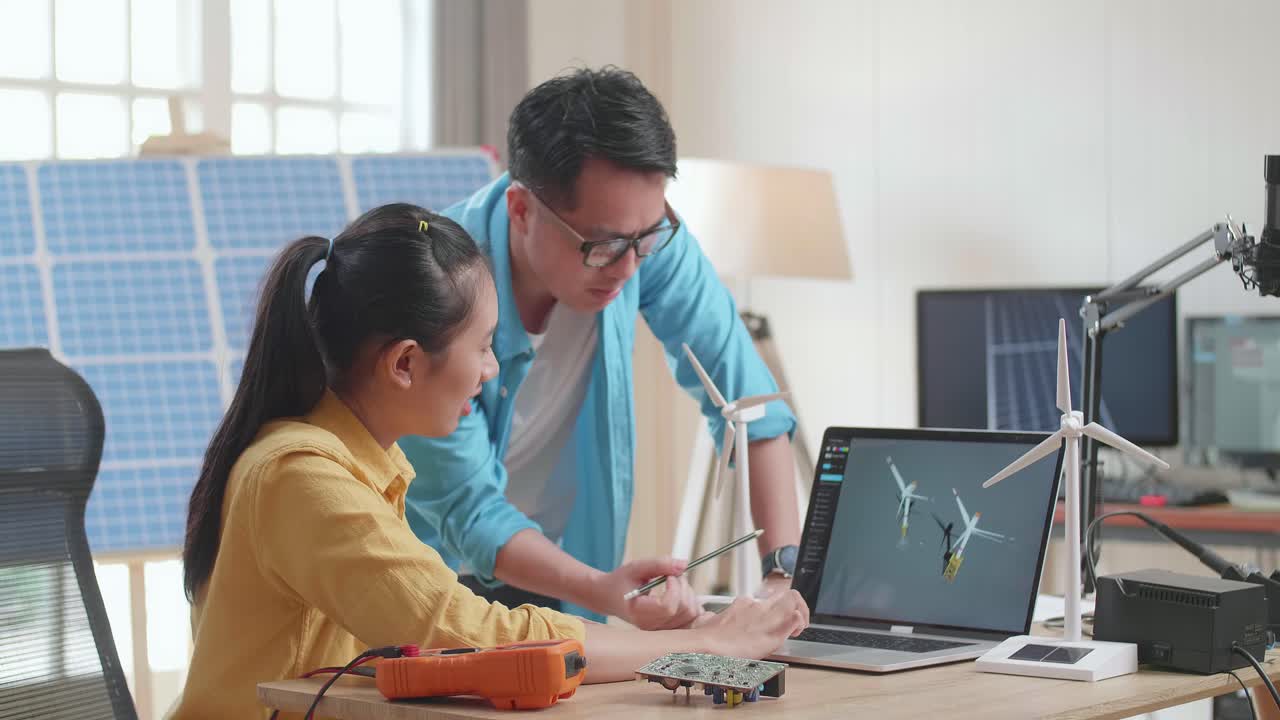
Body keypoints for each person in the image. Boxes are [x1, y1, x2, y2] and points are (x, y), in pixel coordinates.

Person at [169, 204, 808, 719]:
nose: (492, 370)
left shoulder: (347, 465)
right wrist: (702, 643)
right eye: (480, 348)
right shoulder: (304, 477)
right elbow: (467, 630)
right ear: (404, 363)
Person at [401, 66, 803, 627]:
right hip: (426, 584)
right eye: (605, 244)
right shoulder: (432, 287)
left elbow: (751, 402)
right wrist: (607, 592)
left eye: (648, 235)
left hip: (563, 572)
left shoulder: (642, 242)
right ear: (521, 209)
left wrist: (781, 574)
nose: (630, 266)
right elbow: (469, 512)